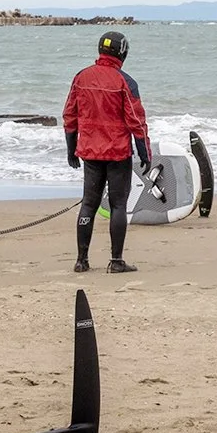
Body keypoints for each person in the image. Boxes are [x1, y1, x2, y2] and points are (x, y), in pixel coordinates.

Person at [63, 30, 151, 274]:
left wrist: (71, 150)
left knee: (88, 205)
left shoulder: (81, 77)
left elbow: (70, 116)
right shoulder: (126, 81)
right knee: (118, 205)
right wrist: (145, 153)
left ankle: (81, 260)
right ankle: (116, 261)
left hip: (89, 152)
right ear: (123, 53)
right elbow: (136, 121)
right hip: (117, 154)